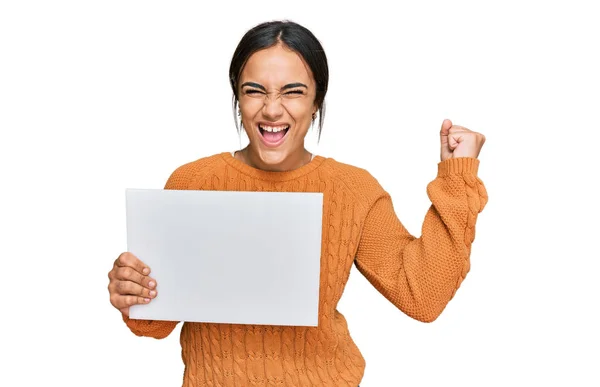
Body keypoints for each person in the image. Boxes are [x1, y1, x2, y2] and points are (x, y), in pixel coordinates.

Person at [107, 20, 487, 387]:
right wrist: (132, 292)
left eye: (293, 91)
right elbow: (153, 324)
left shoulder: (352, 189)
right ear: (238, 99)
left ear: (317, 101)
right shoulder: (191, 182)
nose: (272, 110)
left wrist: (457, 177)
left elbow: (423, 295)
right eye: (254, 90)